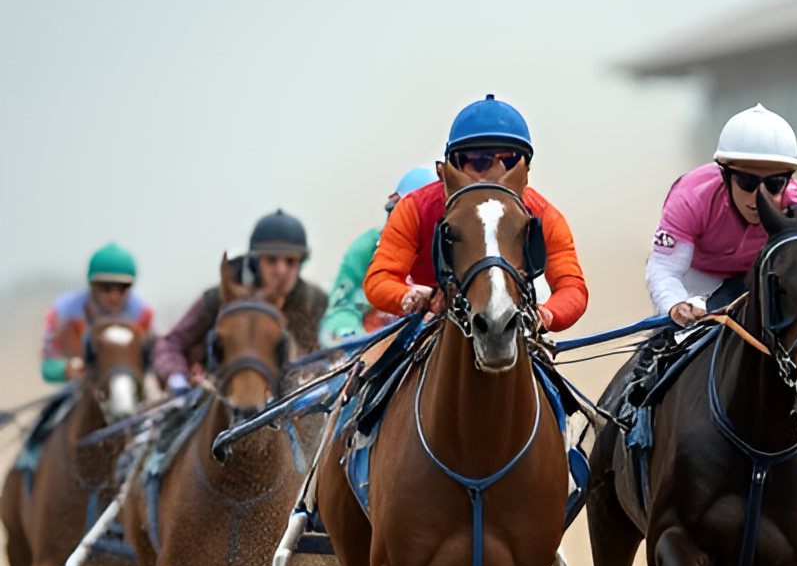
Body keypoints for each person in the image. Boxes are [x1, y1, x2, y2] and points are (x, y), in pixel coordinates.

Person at [363, 95, 588, 333]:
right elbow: (379, 281)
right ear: (451, 168)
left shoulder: (543, 215)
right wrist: (423, 298)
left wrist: (544, 315)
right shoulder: (414, 209)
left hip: (513, 322)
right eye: (477, 161)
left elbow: (571, 286)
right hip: (430, 323)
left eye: (507, 160)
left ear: (525, 170)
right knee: (372, 369)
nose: (493, 172)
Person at [645, 103, 797, 325]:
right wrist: (674, 306)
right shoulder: (689, 198)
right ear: (725, 175)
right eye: (747, 182)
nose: (758, 198)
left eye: (774, 184)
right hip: (699, 282)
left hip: (764, 280)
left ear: (788, 181)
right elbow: (664, 268)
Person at [153, 210, 327, 393]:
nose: (281, 270)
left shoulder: (316, 301)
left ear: (301, 263)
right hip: (221, 402)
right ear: (255, 261)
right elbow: (170, 344)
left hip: (298, 402)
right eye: (272, 260)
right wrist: (177, 376)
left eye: (290, 261)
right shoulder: (220, 298)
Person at [319, 167, 438, 346]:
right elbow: (341, 309)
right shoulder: (367, 247)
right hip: (370, 349)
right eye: (401, 215)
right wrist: (352, 340)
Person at [40, 243, 154, 383]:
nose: (114, 296)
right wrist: (66, 368)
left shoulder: (143, 312)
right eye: (106, 288)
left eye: (123, 288)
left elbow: (156, 358)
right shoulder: (63, 311)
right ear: (92, 285)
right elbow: (47, 365)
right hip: (78, 388)